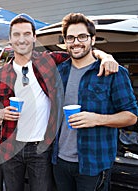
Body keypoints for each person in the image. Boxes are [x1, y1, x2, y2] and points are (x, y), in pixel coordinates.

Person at [0, 13, 118, 191]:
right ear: (10, 39)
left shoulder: (47, 60)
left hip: (42, 148)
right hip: (10, 146)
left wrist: (106, 56)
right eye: (16, 34)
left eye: (27, 34)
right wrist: (0, 113)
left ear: (34, 37)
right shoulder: (0, 74)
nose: (22, 39)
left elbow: (79, 50)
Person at [52, 13, 138, 191]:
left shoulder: (114, 72)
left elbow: (131, 116)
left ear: (93, 39)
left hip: (93, 164)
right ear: (65, 42)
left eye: (82, 36)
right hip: (59, 161)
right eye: (70, 38)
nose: (76, 42)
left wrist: (97, 119)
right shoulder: (59, 72)